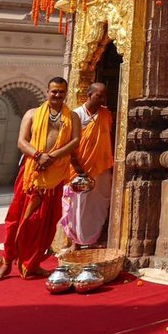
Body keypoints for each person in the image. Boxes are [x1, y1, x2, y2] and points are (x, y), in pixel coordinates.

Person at [0, 77, 81, 281]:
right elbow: (21, 142)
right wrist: (38, 155)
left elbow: (75, 141)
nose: (57, 95)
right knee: (16, 220)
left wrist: (52, 157)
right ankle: (7, 264)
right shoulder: (32, 114)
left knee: (46, 223)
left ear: (66, 93)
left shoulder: (72, 118)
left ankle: (32, 264)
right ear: (48, 91)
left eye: (61, 92)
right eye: (54, 91)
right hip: (31, 174)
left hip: (55, 175)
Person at [61, 82, 114, 247]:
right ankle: (75, 242)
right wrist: (78, 168)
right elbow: (68, 144)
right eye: (99, 95)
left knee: (99, 204)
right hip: (80, 169)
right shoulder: (76, 115)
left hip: (102, 167)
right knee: (78, 206)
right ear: (88, 95)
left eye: (104, 96)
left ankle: (92, 239)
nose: (102, 99)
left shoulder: (106, 114)